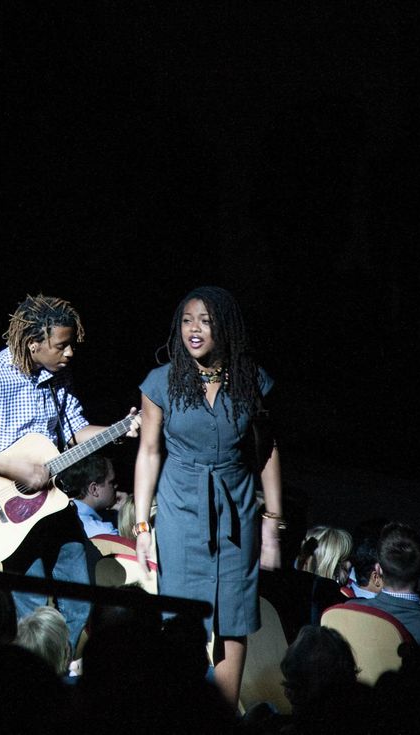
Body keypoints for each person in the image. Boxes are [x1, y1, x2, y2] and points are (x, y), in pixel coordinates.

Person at [0, 294, 139, 651]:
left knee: (79, 596)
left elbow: (76, 430)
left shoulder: (59, 376)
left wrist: (120, 428)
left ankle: (59, 665)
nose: (70, 353)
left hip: (53, 505)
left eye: (71, 345)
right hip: (6, 513)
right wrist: (10, 466)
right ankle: (30, 676)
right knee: (29, 604)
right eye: (62, 346)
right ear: (33, 344)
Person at [133, 285, 283, 709]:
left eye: (204, 321)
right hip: (181, 507)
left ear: (225, 327)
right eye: (186, 321)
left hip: (236, 507)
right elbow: (148, 451)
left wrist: (272, 524)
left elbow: (267, 452)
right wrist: (143, 526)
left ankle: (221, 717)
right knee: (180, 616)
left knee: (233, 617)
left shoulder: (251, 380)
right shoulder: (161, 383)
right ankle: (176, 710)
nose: (193, 330)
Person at [57, 454, 120, 538]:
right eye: (111, 482)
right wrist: (127, 513)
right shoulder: (105, 532)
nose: (116, 486)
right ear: (94, 489)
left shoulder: (59, 519)